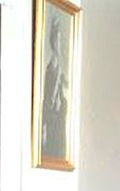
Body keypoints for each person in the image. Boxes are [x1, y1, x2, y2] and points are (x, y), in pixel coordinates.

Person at [40, 18, 69, 160]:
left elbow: (63, 84)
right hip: (52, 110)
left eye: (59, 40)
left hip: (58, 111)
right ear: (53, 42)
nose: (59, 43)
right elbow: (50, 91)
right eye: (56, 40)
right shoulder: (52, 64)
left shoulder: (59, 64)